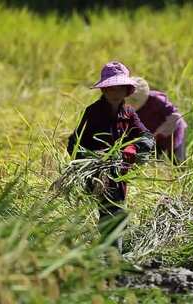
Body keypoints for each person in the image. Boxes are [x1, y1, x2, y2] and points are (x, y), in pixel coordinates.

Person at [66, 61, 154, 250]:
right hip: (98, 173)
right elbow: (74, 143)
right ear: (104, 91)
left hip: (119, 172)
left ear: (126, 90)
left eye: (120, 88)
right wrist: (92, 159)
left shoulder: (129, 114)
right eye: (111, 89)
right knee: (112, 213)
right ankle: (113, 258)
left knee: (115, 211)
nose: (115, 93)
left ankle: (110, 256)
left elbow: (147, 136)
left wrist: (134, 148)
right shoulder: (93, 112)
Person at [126, 77, 187, 164]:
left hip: (173, 133)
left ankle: (180, 172)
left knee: (177, 161)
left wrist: (160, 131)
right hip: (153, 137)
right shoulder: (127, 105)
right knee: (151, 160)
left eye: (134, 100)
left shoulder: (157, 100)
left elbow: (175, 116)